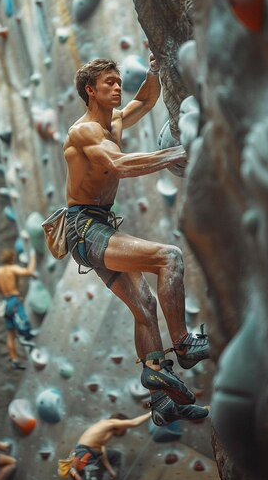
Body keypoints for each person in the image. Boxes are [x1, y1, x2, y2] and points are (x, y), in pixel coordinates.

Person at [63, 56, 210, 426]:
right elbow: (121, 166)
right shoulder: (84, 132)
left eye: (118, 81)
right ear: (90, 90)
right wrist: (180, 151)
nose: (117, 87)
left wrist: (154, 71)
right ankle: (184, 344)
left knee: (144, 306)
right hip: (84, 228)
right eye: (109, 82)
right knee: (169, 258)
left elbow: (145, 101)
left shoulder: (112, 120)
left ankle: (161, 403)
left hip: (95, 227)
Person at [71, 412, 151, 480]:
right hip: (85, 453)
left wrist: (111, 471)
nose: (125, 431)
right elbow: (134, 422)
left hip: (83, 454)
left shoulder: (104, 432)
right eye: (125, 427)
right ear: (120, 423)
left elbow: (102, 453)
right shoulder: (110, 422)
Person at [0, 248, 36, 370]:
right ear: (11, 258)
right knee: (23, 321)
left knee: (10, 333)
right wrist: (33, 257)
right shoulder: (12, 268)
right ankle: (26, 339)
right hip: (14, 300)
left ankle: (14, 359)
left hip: (5, 302)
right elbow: (28, 271)